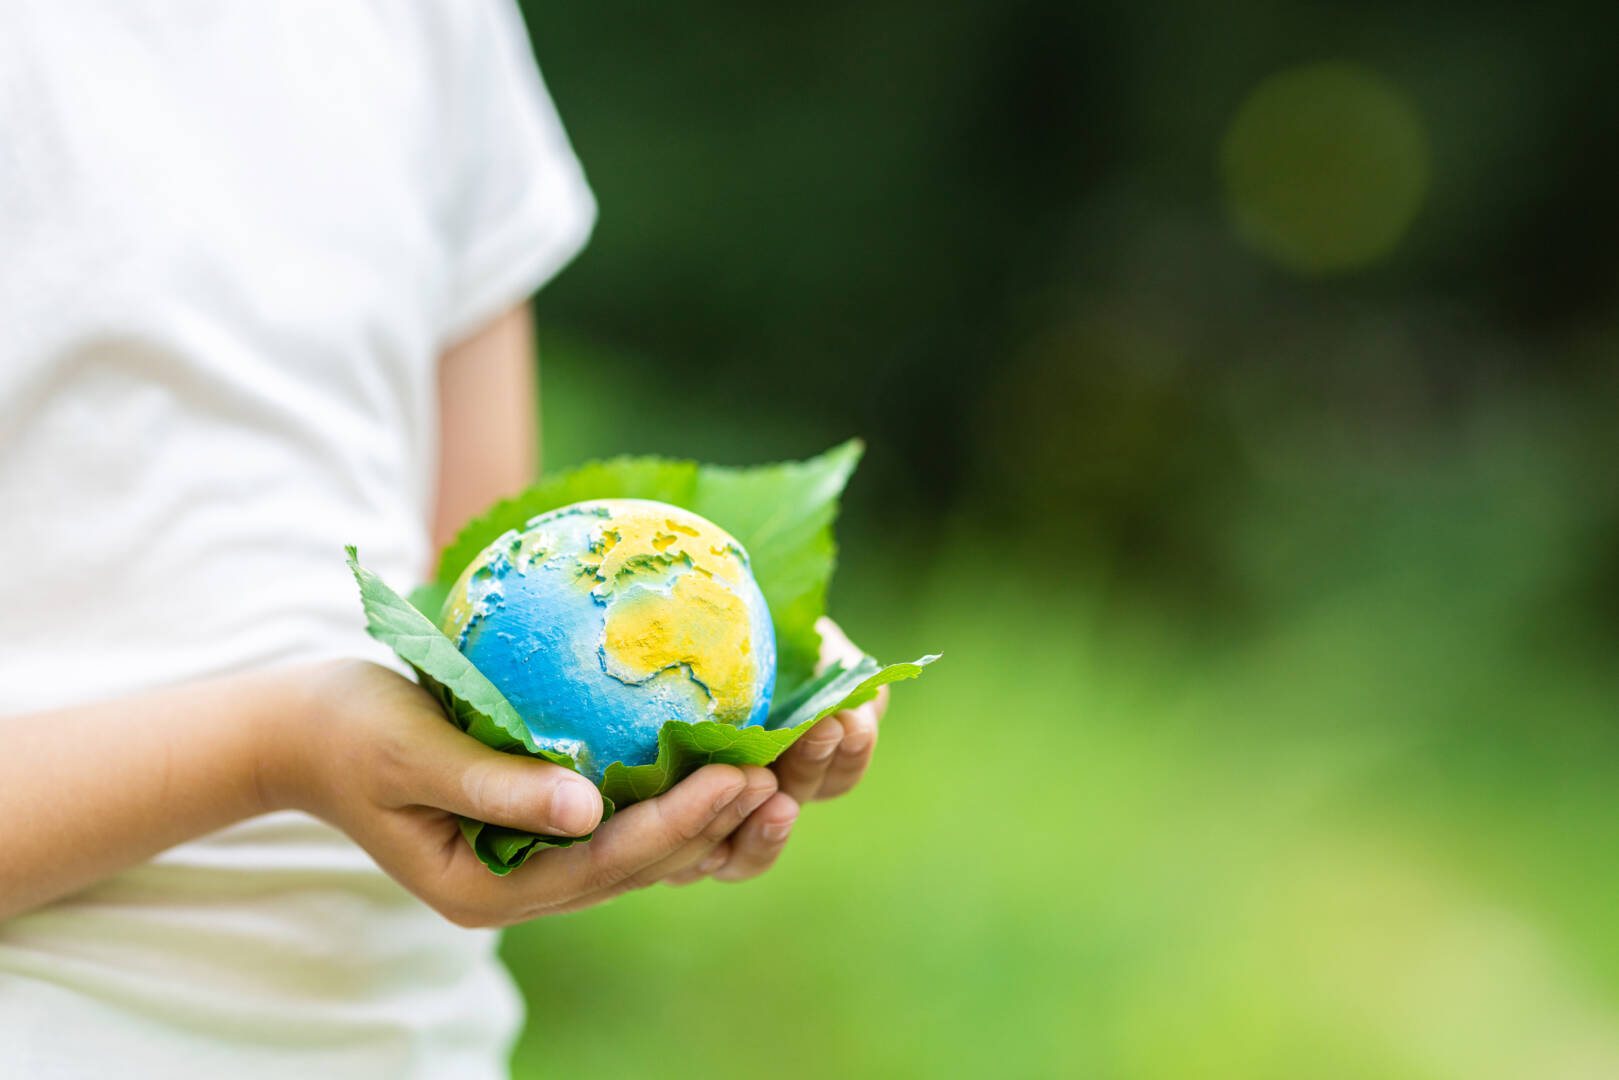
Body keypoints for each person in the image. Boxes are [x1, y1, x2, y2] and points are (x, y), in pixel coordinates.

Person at [0, 3, 886, 1077]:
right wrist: (277, 749)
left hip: (412, 1036)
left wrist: (696, 713)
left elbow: (474, 604)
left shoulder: (431, 22)